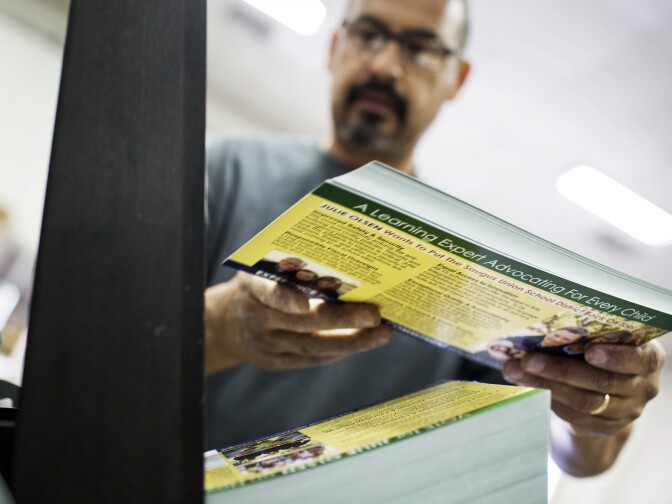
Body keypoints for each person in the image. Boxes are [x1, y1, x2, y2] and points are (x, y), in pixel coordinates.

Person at [204, 0, 666, 478]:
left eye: (421, 49)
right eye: (368, 34)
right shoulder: (229, 169)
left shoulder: (469, 263)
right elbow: (125, 341)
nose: (385, 65)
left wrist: (597, 409)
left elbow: (572, 455)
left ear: (456, 79)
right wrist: (221, 326)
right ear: (335, 45)